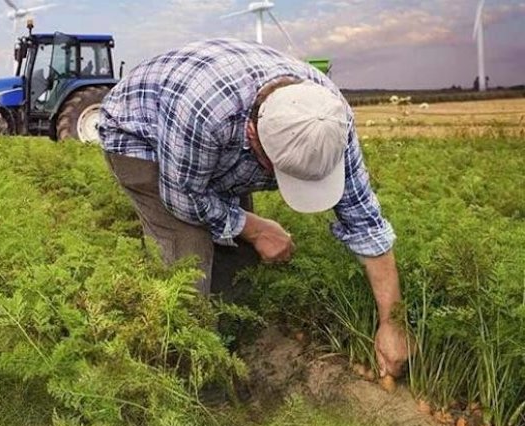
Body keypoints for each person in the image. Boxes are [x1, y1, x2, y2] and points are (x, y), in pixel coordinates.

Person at [98, 39, 409, 378]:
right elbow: (184, 198)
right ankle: (189, 374)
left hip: (211, 141)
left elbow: (366, 223)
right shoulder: (205, 113)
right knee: (187, 262)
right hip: (142, 136)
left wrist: (392, 323)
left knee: (238, 254)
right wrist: (257, 228)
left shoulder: (329, 119)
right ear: (254, 135)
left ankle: (234, 346)